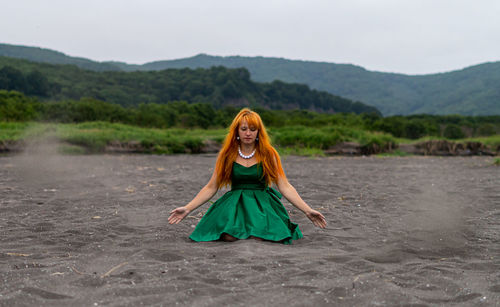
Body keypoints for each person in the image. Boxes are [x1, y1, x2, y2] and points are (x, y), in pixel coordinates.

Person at [168, 108, 326, 244]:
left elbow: (284, 186)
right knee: (229, 236)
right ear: (237, 131)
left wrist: (307, 210)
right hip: (235, 203)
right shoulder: (227, 155)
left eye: (252, 129)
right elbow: (211, 187)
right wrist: (187, 209)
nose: (248, 133)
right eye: (244, 129)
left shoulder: (268, 154)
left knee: (258, 236)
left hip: (262, 204)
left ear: (258, 132)